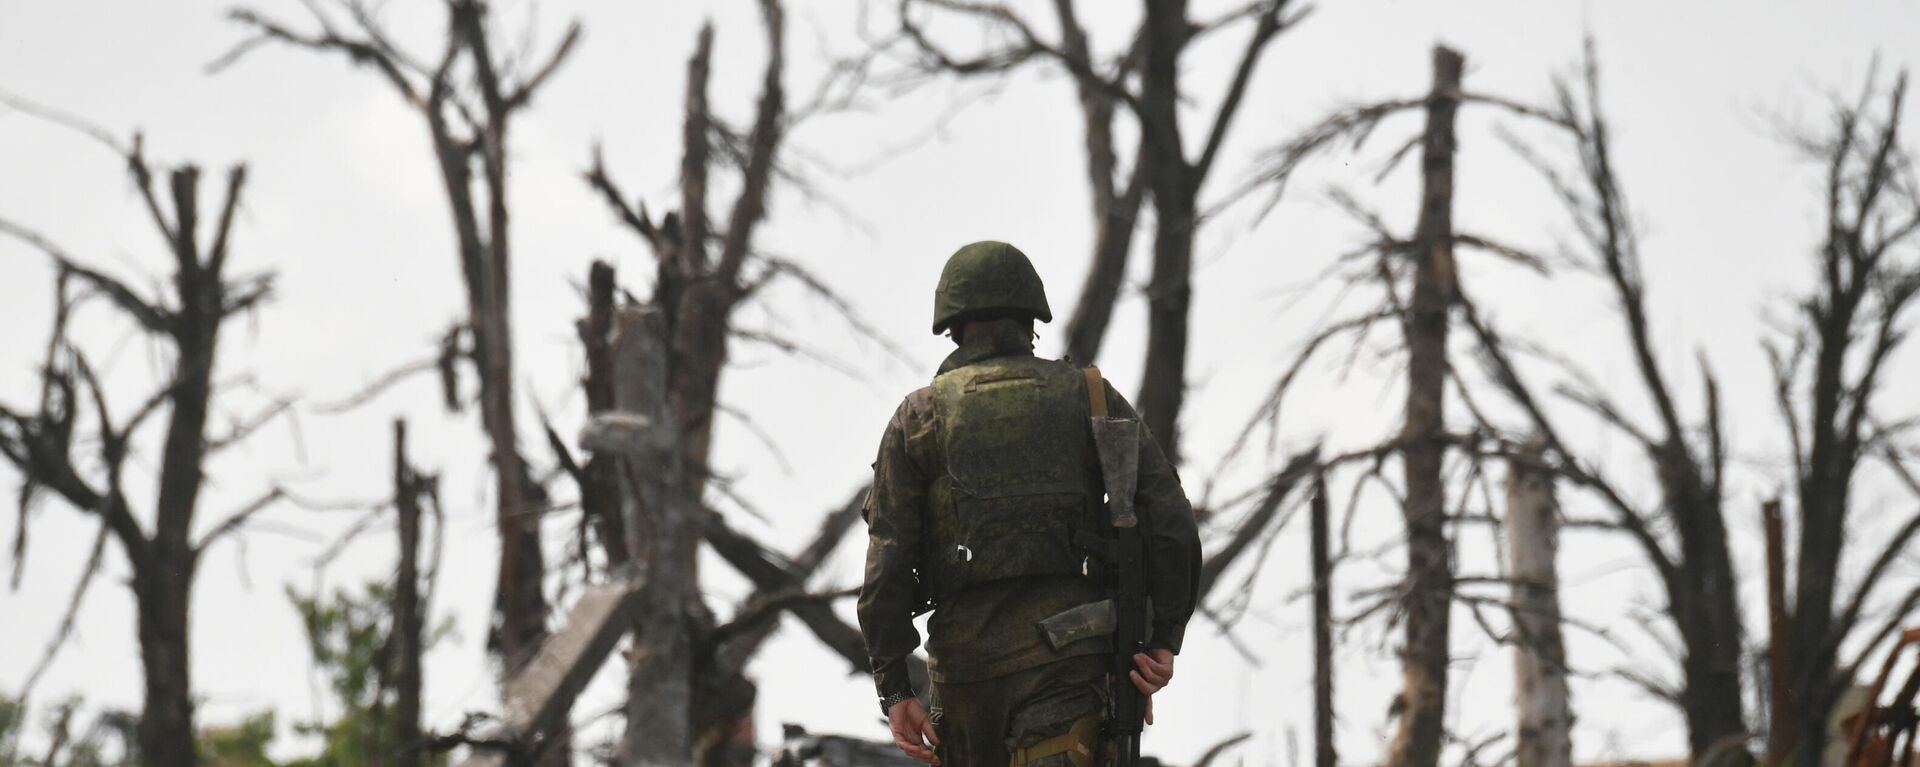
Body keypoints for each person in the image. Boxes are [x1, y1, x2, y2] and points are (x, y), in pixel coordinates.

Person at [857, 240, 1203, 766]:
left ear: (952, 326)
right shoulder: (1089, 396)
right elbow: (1170, 519)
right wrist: (1164, 638)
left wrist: (895, 689)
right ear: (1031, 319)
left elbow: (888, 558)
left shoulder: (921, 417)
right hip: (1068, 664)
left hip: (964, 674)